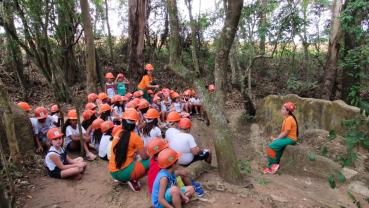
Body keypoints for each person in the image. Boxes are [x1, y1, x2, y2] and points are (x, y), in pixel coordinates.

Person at [108, 108, 150, 192]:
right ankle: (133, 179)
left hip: (112, 171)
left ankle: (124, 178)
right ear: (135, 123)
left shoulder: (118, 133)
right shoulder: (135, 137)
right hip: (125, 173)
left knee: (135, 159)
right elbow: (144, 157)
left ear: (122, 121)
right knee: (152, 160)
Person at [264, 102, 299, 174]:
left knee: (271, 147)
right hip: (288, 138)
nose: (281, 110)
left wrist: (277, 139)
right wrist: (277, 139)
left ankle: (273, 166)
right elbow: (284, 132)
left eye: (283, 109)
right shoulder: (288, 118)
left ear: (287, 111)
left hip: (290, 139)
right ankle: (274, 166)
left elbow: (286, 132)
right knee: (277, 149)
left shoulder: (289, 119)